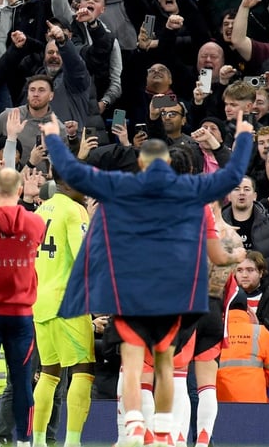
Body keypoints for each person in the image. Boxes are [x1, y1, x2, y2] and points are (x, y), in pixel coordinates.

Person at [42, 109, 253, 446]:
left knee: (132, 358)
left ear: (141, 162)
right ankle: (168, 429)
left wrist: (54, 137)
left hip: (132, 291)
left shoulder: (121, 186)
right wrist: (243, 137)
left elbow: (72, 172)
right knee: (166, 362)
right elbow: (230, 178)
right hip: (174, 293)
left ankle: (136, 425)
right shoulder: (192, 191)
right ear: (167, 162)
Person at [0, 168, 45, 447]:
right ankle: (24, 441)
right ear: (18, 190)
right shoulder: (35, 223)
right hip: (21, 315)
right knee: (22, 381)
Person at [32, 177, 94, 447]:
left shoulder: (39, 211)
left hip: (40, 301)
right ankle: (72, 441)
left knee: (49, 372)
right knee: (83, 369)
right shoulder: (74, 209)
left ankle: (37, 440)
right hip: (67, 302)